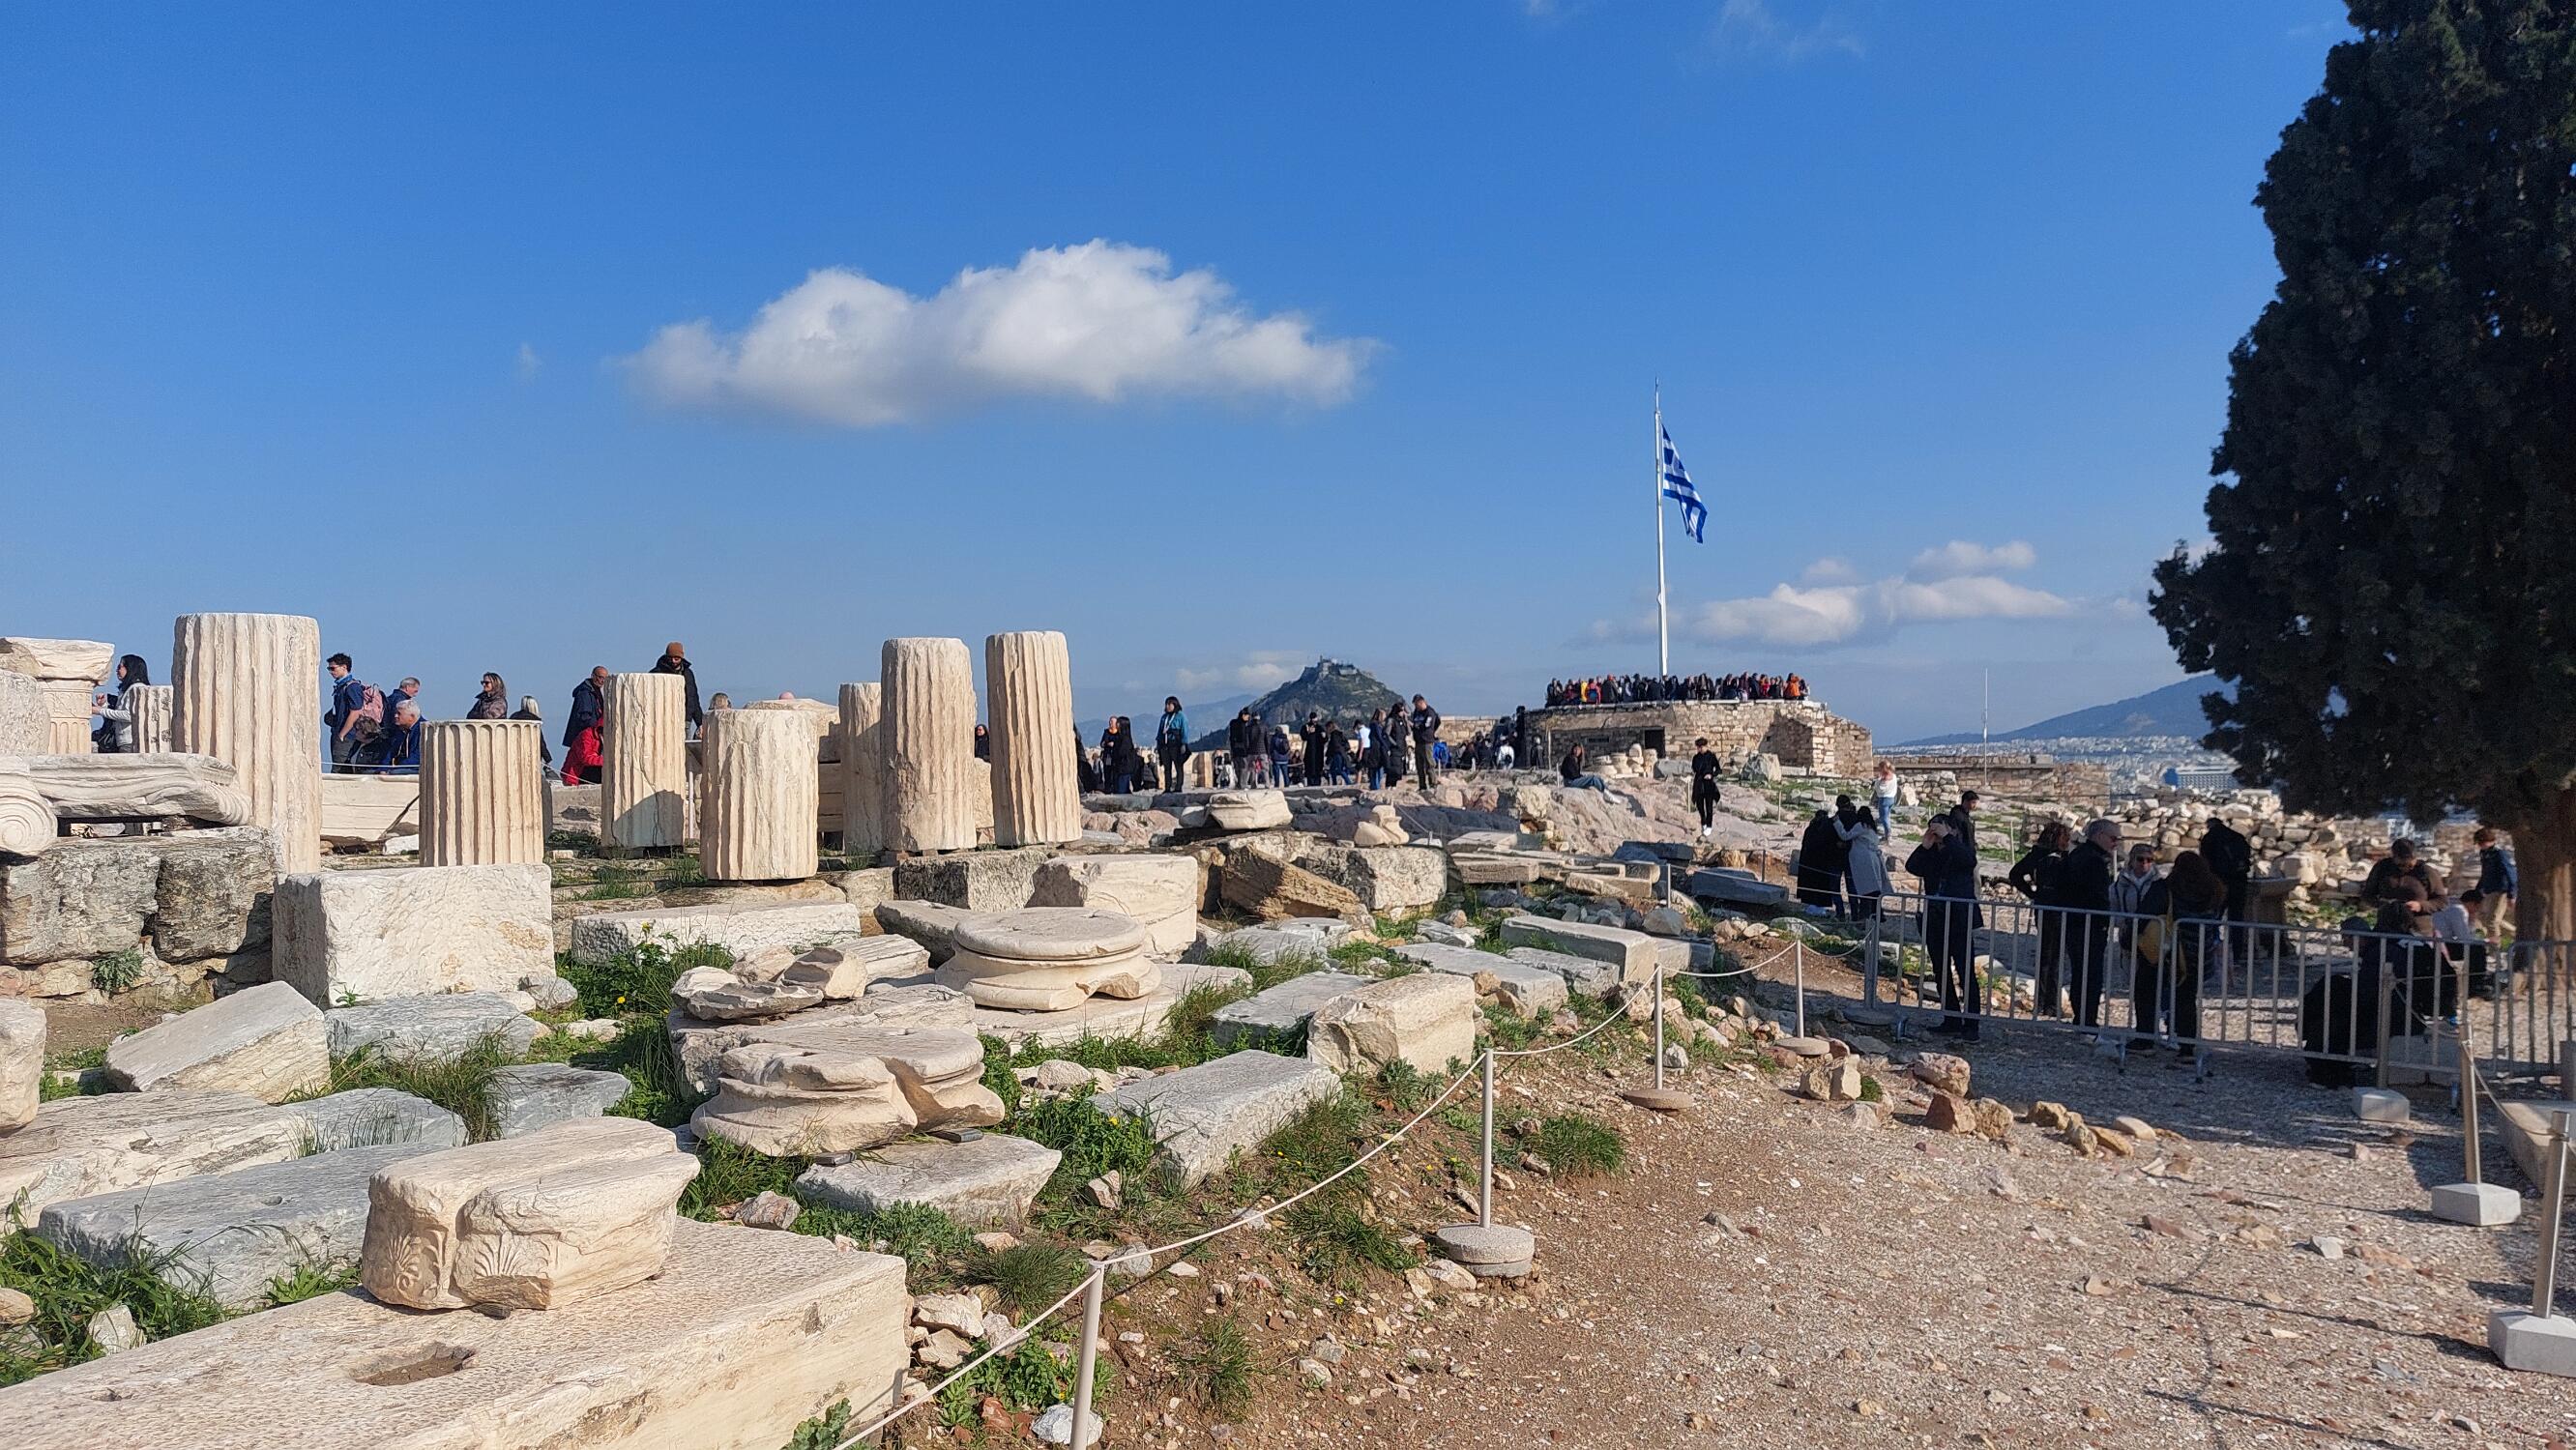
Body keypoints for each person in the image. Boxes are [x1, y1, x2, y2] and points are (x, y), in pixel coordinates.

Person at [2135, 849, 2226, 1057]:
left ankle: (2145, 1039)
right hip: (2199, 953)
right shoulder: (2215, 891)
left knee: (2146, 992)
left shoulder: (2166, 888)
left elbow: (2144, 916)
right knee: (2186, 999)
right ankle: (2187, 1047)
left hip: (2168, 952)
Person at [1906, 818, 1980, 1039]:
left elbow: (1969, 861)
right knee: (1941, 970)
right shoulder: (1931, 854)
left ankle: (1971, 1024)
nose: (1936, 831)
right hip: (1936, 919)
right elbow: (1912, 867)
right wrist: (1925, 846)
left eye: (1940, 827)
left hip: (1959, 920)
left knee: (1965, 971)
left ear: (1953, 830)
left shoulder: (1960, 850)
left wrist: (1948, 838)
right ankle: (1951, 1018)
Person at [2055, 820, 2119, 1030]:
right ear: (2099, 836)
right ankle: (2087, 1019)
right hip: (2088, 924)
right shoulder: (2093, 860)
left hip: (2076, 922)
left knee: (2081, 971)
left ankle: (2082, 1017)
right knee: (2090, 974)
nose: (2116, 843)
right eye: (2113, 838)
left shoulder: (2080, 854)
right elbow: (2098, 895)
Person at [2008, 821, 2072, 1016]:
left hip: (2043, 906)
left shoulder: (2037, 855)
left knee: (2046, 954)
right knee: (2055, 957)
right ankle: (2050, 1005)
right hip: (2059, 908)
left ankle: (2042, 1002)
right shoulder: (2064, 858)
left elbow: (2015, 874)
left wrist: (2033, 893)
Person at [324, 652, 380, 774]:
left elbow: (355, 711)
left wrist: (342, 734)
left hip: (348, 736)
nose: (330, 672)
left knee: (340, 769)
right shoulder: (341, 686)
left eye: (333, 668)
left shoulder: (352, 687)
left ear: (344, 667)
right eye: (329, 668)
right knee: (340, 766)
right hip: (340, 733)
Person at [2359, 839, 2440, 916]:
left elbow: (2441, 900)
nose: (2405, 869)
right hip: (2387, 921)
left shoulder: (2426, 871)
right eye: (2401, 865)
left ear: (2415, 859)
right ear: (2394, 858)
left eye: (2410, 866)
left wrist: (2420, 906)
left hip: (2418, 922)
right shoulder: (2382, 868)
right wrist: (2384, 904)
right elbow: (2367, 895)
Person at [90, 653, 151, 752]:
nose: (117, 670)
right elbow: (117, 718)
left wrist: (100, 711)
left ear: (130, 668)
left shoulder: (137, 688)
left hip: (130, 742)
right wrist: (103, 706)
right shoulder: (127, 689)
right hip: (124, 741)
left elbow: (129, 715)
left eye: (120, 667)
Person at [1837, 805, 1888, 922]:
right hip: (1873, 860)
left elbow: (1845, 836)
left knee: (1865, 889)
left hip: (1863, 860)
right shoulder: (1872, 828)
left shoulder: (1860, 825)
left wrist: (1837, 823)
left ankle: (1864, 916)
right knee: (1874, 888)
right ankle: (1877, 913)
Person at [1798, 808, 1847, 917]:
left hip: (1811, 863)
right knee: (1823, 888)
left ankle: (1814, 907)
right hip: (1823, 864)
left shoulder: (1811, 829)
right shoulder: (1827, 828)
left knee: (1813, 887)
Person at [562, 667, 607, 783]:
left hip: (593, 733)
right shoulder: (585, 693)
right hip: (586, 734)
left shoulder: (596, 691)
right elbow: (584, 717)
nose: (602, 681)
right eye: (600, 677)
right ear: (593, 676)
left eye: (605, 678)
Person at [652, 642, 704, 735]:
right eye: (670, 658)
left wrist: (701, 723)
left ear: (681, 658)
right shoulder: (656, 673)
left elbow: (694, 699)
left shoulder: (688, 674)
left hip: (685, 721)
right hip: (664, 721)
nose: (673, 661)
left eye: (676, 659)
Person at [2473, 827, 2517, 936]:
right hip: (2489, 890)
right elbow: (2485, 873)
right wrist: (2477, 891)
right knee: (2482, 917)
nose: (2479, 845)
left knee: (2492, 921)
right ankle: (2513, 933)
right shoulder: (2484, 853)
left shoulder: (2499, 854)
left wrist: (2512, 894)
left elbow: (2510, 873)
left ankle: (2495, 946)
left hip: (2500, 890)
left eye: (2481, 843)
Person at [379, 700, 424, 775]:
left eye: (399, 713)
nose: (395, 716)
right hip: (399, 768)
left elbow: (417, 757)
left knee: (393, 773)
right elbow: (390, 753)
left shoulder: (423, 730)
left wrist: (394, 769)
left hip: (416, 770)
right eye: (396, 713)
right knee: (369, 773)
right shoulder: (401, 730)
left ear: (412, 717)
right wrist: (383, 768)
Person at [1689, 737, 1721, 839]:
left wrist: (1711, 775)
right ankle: (1703, 821)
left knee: (1709, 806)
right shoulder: (1696, 757)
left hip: (1708, 783)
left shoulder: (1711, 756)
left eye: (1700, 747)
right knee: (1699, 805)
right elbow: (1694, 768)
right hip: (1699, 783)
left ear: (1705, 746)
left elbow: (1718, 769)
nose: (1699, 749)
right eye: (1698, 747)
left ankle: (1709, 825)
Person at [1155, 698, 1188, 793]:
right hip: (1165, 745)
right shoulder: (1164, 717)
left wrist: (1184, 743)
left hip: (1176, 744)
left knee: (1178, 766)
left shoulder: (1181, 716)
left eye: (1170, 704)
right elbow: (1160, 731)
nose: (1167, 706)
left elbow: (1184, 730)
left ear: (1175, 705)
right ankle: (1167, 787)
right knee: (1167, 767)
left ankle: (1178, 787)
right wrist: (1158, 744)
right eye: (1166, 704)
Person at [510, 695, 552, 767]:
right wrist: (548, 759)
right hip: (530, 757)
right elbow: (540, 742)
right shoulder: (533, 722)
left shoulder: (513, 718)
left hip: (514, 755)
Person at [1871, 761, 1898, 842]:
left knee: (1884, 818)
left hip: (1884, 799)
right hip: (1891, 798)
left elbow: (1881, 789)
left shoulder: (1885, 779)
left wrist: (1878, 781)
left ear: (1883, 768)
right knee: (1887, 816)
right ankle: (1887, 834)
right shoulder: (1894, 776)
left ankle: (1888, 835)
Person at [1300, 712, 1327, 788]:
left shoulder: (1320, 728)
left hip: (1318, 753)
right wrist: (1309, 732)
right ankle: (1310, 783)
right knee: (1309, 769)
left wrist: (1324, 736)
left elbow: (1325, 739)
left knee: (1318, 769)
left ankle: (1317, 783)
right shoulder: (1305, 727)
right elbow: (1303, 737)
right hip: (1309, 753)